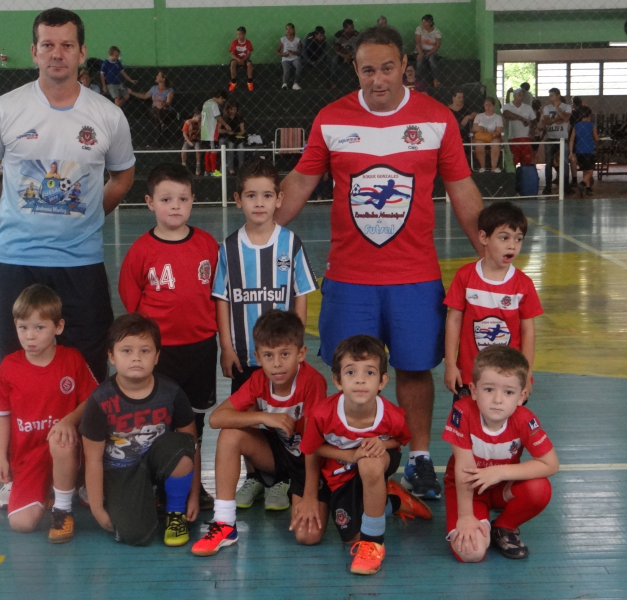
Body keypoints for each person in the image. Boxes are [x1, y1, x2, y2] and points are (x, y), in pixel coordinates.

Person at [277, 25, 485, 501]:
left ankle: (418, 458)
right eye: (368, 69)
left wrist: (489, 254)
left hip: (415, 276)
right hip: (350, 279)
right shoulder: (331, 119)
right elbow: (299, 184)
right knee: (348, 369)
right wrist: (257, 219)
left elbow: (462, 190)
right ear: (356, 70)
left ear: (404, 67)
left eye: (387, 68)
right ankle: (342, 458)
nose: (378, 79)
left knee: (414, 369)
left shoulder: (436, 119)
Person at [0, 8, 135, 509]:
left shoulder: (106, 115)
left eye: (67, 45)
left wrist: (89, 217)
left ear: (82, 52)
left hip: (82, 262)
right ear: (34, 51)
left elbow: (123, 176)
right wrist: (8, 224)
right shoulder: (5, 109)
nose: (57, 53)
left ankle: (88, 470)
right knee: (17, 362)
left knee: (88, 360)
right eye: (48, 44)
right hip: (19, 261)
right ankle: (17, 468)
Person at [118, 162, 219, 511]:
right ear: (149, 202)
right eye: (166, 199)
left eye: (182, 198)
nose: (175, 206)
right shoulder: (141, 251)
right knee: (159, 418)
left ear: (192, 201)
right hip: (160, 354)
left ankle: (194, 484)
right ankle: (159, 483)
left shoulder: (207, 245)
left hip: (202, 347)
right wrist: (146, 345)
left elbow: (218, 295)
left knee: (195, 420)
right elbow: (132, 303)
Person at [190, 310, 329, 556]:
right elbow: (216, 419)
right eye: (268, 355)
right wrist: (265, 417)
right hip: (280, 452)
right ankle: (224, 523)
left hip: (312, 460)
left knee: (308, 536)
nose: (277, 363)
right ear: (258, 357)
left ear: (301, 354)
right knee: (231, 434)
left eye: (285, 354)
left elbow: (313, 444)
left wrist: (309, 496)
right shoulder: (258, 380)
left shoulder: (312, 381)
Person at [300, 335, 433, 576]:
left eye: (369, 373)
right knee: (350, 538)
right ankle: (393, 500)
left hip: (378, 462)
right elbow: (311, 448)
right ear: (338, 381)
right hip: (340, 471)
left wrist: (381, 444)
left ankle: (373, 543)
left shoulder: (392, 415)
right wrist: (349, 455)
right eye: (351, 373)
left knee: (370, 464)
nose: (360, 380)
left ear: (382, 381)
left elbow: (401, 440)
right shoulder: (321, 414)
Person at [0, 285, 98, 542]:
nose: (30, 336)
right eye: (23, 327)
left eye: (40, 328)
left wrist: (69, 420)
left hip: (67, 449)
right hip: (28, 457)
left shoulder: (71, 359)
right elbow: (2, 415)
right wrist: (1, 458)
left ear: (58, 327)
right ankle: (45, 488)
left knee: (59, 441)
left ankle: (62, 510)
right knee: (21, 524)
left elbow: (93, 399)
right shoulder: (9, 367)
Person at [80, 314, 199, 547]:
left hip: (157, 462)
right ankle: (140, 499)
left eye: (145, 351)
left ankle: (175, 513)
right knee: (134, 535)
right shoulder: (99, 400)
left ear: (157, 356)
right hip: (120, 471)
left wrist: (193, 496)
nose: (136, 358)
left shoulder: (172, 392)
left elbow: (192, 445)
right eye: (126, 351)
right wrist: (97, 509)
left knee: (181, 447)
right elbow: (93, 460)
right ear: (111, 356)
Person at [443, 345, 559, 562]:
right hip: (470, 488)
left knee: (539, 488)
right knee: (472, 553)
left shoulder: (525, 420)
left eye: (508, 392)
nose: (497, 399)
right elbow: (464, 467)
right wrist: (466, 516)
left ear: (521, 396)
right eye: (488, 389)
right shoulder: (462, 412)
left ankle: (504, 526)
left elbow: (550, 464)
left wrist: (499, 472)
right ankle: (478, 516)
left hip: (501, 487)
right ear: (474, 390)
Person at [213, 158, 318, 394]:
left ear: (279, 199)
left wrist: (296, 342)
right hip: (244, 356)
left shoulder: (291, 244)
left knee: (285, 418)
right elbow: (222, 299)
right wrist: (226, 348)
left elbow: (300, 294)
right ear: (238, 200)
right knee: (245, 422)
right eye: (251, 196)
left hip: (283, 355)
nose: (259, 203)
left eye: (267, 196)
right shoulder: (229, 248)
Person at [443, 201, 543, 402]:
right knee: (465, 429)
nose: (512, 245)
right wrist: (451, 366)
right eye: (504, 237)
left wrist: (526, 373)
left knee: (507, 431)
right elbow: (453, 321)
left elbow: (528, 331)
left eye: (518, 239)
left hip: (509, 379)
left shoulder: (523, 284)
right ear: (483, 237)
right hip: (470, 377)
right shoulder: (465, 277)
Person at [129, 71, 174, 145]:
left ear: (163, 79)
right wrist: (132, 92)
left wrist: (163, 104)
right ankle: (163, 125)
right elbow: (144, 96)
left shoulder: (169, 90)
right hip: (153, 111)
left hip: (164, 112)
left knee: (158, 113)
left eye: (158, 76)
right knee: (155, 110)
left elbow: (168, 102)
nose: (156, 76)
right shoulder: (154, 88)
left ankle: (157, 140)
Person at [541, 88, 572, 195]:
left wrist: (557, 109)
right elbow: (547, 121)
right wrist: (559, 118)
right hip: (550, 137)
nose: (550, 98)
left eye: (552, 96)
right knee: (548, 162)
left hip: (562, 138)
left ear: (558, 96)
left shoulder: (567, 107)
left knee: (564, 162)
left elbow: (566, 119)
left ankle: (566, 186)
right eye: (549, 96)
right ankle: (548, 186)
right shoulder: (546, 108)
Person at [569, 106, 599, 196]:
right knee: (590, 170)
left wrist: (571, 153)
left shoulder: (576, 126)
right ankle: (582, 183)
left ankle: (588, 188)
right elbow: (596, 138)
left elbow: (571, 140)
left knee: (586, 169)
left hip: (579, 152)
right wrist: (598, 138)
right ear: (589, 115)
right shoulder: (591, 125)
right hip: (589, 151)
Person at [502, 88, 536, 167]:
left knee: (526, 161)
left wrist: (532, 130)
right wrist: (522, 118)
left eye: (522, 95)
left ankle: (524, 177)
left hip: (525, 137)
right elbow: (506, 114)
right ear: (514, 96)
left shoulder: (528, 108)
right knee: (513, 161)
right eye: (519, 95)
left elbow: (534, 121)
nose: (521, 97)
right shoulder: (507, 106)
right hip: (513, 137)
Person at [201, 90, 229, 177]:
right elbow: (218, 117)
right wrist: (226, 125)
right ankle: (214, 171)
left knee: (208, 150)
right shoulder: (214, 104)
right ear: (220, 97)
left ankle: (207, 170)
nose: (222, 103)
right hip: (211, 131)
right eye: (222, 100)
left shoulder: (206, 103)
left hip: (204, 131)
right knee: (214, 151)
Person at [472, 97, 503, 173]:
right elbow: (474, 128)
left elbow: (498, 130)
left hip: (492, 137)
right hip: (481, 137)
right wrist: (484, 130)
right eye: (486, 105)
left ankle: (494, 167)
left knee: (495, 144)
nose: (488, 107)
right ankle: (482, 167)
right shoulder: (479, 116)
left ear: (493, 106)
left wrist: (491, 133)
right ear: (484, 106)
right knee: (478, 145)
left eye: (490, 105)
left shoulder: (498, 117)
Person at [218, 99, 246, 175]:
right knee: (231, 145)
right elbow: (219, 130)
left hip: (235, 136)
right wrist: (227, 131)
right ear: (227, 109)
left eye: (234, 109)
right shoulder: (223, 118)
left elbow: (242, 130)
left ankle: (241, 168)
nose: (233, 111)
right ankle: (231, 168)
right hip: (226, 136)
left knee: (241, 147)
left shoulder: (239, 118)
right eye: (231, 109)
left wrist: (239, 133)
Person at [330, 19, 359, 88]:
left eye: (352, 27)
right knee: (334, 61)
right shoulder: (338, 35)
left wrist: (351, 55)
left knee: (361, 61)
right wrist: (344, 56)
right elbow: (336, 50)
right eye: (349, 28)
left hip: (354, 54)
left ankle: (360, 83)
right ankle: (334, 83)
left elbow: (359, 48)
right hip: (342, 55)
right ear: (345, 28)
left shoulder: (357, 34)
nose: (352, 30)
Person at [414, 15, 441, 87]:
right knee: (419, 63)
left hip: (432, 51)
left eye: (425, 22)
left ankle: (436, 80)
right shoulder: (419, 29)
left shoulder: (436, 32)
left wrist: (429, 53)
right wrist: (420, 53)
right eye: (422, 22)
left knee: (432, 61)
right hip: (421, 50)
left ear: (430, 22)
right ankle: (417, 81)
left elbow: (437, 45)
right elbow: (417, 43)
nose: (423, 24)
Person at [568, 97, 587, 186]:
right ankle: (585, 179)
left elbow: (571, 122)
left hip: (574, 133)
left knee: (573, 157)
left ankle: (574, 178)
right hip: (584, 133)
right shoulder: (585, 111)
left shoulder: (573, 112)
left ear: (573, 103)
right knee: (584, 156)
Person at [277, 23, 302, 90]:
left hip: (294, 58)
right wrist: (283, 55)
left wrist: (293, 52)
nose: (288, 30)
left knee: (298, 66)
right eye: (287, 29)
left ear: (293, 30)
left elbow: (300, 52)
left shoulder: (298, 40)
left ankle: (295, 83)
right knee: (286, 70)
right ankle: (284, 84)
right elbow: (277, 51)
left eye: (290, 29)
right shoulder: (283, 39)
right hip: (285, 58)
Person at [229, 27, 254, 91]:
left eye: (240, 34)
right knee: (232, 63)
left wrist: (243, 60)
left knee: (249, 64)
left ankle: (249, 82)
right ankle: (233, 82)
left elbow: (248, 54)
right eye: (237, 34)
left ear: (244, 34)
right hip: (237, 59)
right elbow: (232, 54)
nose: (238, 36)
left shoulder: (248, 42)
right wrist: (238, 59)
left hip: (245, 59)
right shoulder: (234, 42)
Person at [181, 108, 202, 176]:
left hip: (197, 140)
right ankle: (183, 165)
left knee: (197, 150)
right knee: (183, 150)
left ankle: (198, 165)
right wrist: (189, 142)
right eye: (199, 117)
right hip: (189, 140)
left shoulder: (200, 123)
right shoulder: (188, 122)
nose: (199, 118)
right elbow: (184, 133)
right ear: (195, 115)